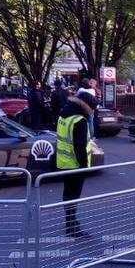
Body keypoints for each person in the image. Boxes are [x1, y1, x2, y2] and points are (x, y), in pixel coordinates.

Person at [56, 98, 92, 238]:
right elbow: (80, 147)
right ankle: (71, 226)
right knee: (74, 196)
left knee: (68, 194)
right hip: (76, 165)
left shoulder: (63, 115)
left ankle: (71, 222)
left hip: (64, 162)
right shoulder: (79, 120)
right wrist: (84, 166)